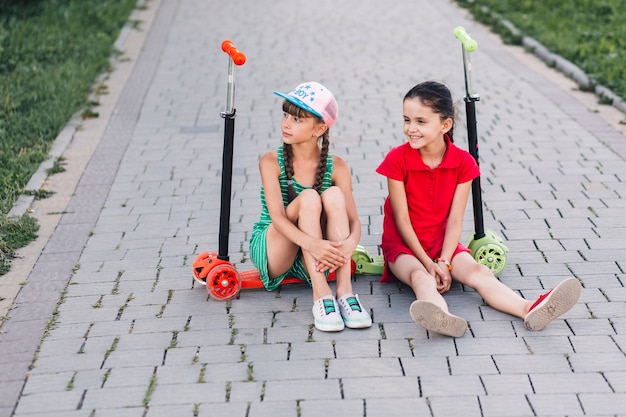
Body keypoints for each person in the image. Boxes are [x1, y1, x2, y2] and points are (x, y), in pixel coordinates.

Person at [376, 81, 581, 337]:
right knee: (421, 277)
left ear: (445, 125)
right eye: (407, 120)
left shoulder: (463, 162)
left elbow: (454, 220)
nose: (411, 129)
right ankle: (440, 315)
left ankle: (529, 308)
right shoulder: (397, 159)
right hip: (405, 247)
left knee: (479, 270)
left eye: (420, 121)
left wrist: (445, 261)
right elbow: (403, 221)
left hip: (443, 244)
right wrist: (430, 265)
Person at [249, 81, 372, 332]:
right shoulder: (271, 161)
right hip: (276, 247)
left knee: (334, 194)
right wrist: (313, 243)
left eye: (297, 120)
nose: (286, 123)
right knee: (308, 198)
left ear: (320, 128)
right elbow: (278, 218)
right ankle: (321, 297)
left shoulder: (337, 165)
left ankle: (345, 293)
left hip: (315, 255)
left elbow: (354, 221)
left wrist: (350, 244)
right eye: (285, 115)